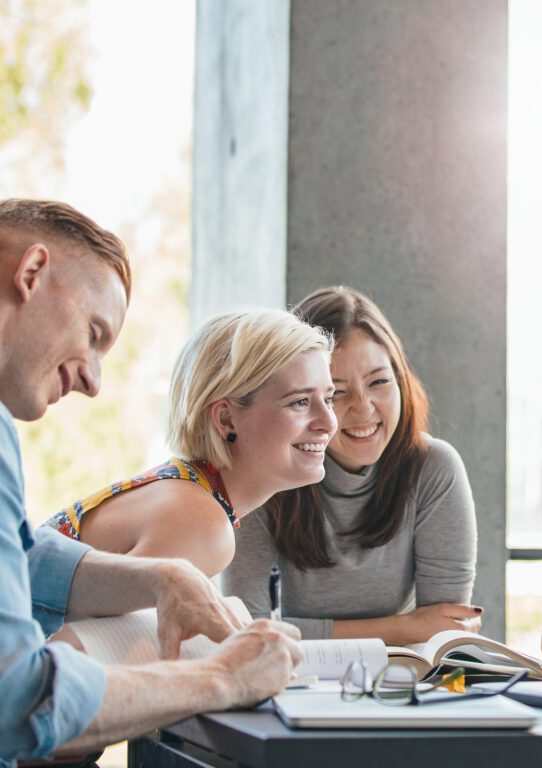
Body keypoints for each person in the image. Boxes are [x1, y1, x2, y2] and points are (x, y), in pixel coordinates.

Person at [0, 199, 301, 766]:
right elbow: (18, 702)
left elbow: (22, 552)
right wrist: (220, 678)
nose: (92, 380)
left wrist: (160, 577)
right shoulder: (201, 518)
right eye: (93, 333)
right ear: (32, 274)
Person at [222, 285, 479, 645]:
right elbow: (247, 631)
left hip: (398, 682)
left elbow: (443, 630)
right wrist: (403, 627)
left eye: (379, 382)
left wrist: (417, 630)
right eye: (336, 393)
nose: (363, 409)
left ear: (401, 380)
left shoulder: (433, 468)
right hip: (287, 681)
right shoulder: (264, 471)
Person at [40, 309, 337, 577]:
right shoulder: (201, 525)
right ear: (226, 419)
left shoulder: (189, 491)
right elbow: (81, 636)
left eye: (328, 399)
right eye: (300, 402)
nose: (329, 422)